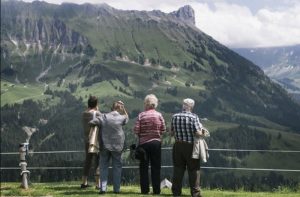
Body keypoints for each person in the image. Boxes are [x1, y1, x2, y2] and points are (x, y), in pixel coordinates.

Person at [90, 100, 129, 194]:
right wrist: (124, 109)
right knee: (117, 167)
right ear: (119, 109)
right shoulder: (121, 117)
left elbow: (92, 122)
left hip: (105, 145)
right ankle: (117, 189)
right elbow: (127, 118)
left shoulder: (103, 116)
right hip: (118, 146)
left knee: (103, 166)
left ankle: (103, 188)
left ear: (111, 108)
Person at [171, 98, 204, 197]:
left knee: (178, 169)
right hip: (190, 146)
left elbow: (171, 133)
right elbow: (198, 133)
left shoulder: (175, 116)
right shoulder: (194, 117)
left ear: (183, 105)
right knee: (193, 169)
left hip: (177, 145)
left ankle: (176, 192)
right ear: (191, 106)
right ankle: (195, 193)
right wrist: (203, 131)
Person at [133, 94, 166, 195]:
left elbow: (136, 130)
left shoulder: (141, 115)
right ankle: (156, 190)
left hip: (144, 144)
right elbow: (163, 129)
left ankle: (145, 190)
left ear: (146, 104)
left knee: (144, 167)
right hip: (156, 143)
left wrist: (141, 134)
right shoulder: (159, 115)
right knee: (156, 167)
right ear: (155, 104)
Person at [81, 96, 101, 189]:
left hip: (87, 140)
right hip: (95, 140)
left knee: (87, 161)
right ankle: (97, 184)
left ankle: (84, 182)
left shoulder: (84, 114)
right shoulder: (97, 113)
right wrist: (98, 110)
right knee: (97, 161)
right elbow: (101, 123)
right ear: (96, 104)